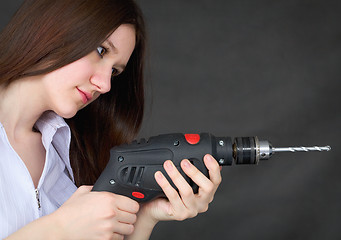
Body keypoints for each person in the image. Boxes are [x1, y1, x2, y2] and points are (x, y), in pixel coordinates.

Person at [0, 0, 222, 239]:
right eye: (101, 51)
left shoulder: (66, 151)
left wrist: (146, 215)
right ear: (51, 28)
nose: (105, 85)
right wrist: (59, 229)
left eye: (115, 72)